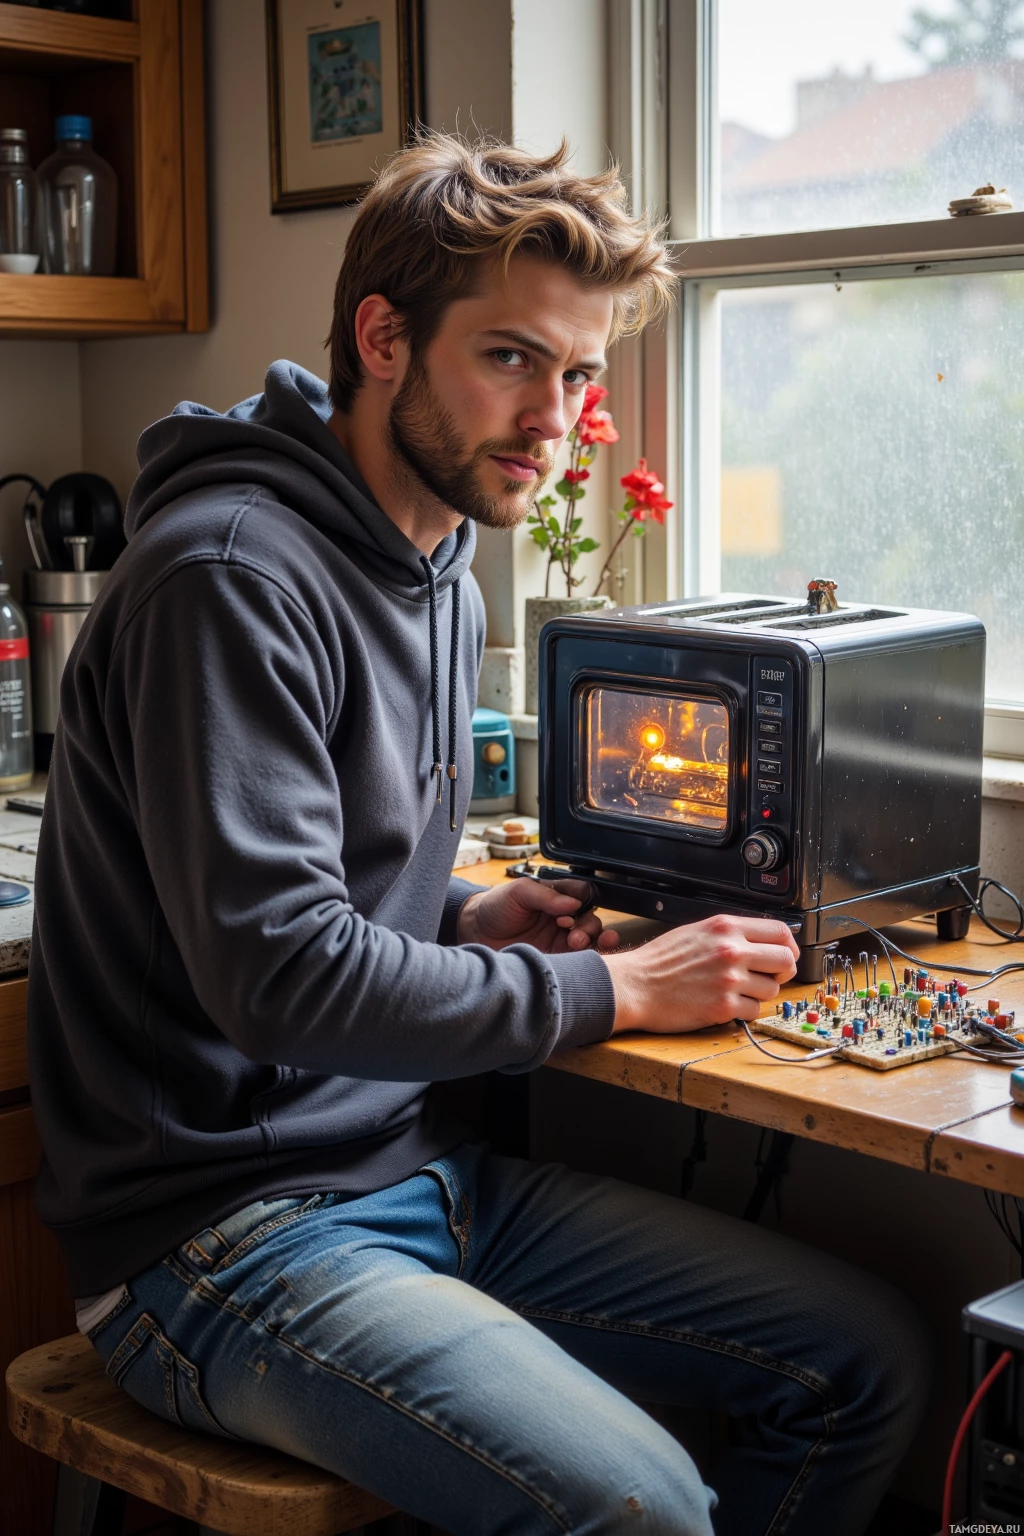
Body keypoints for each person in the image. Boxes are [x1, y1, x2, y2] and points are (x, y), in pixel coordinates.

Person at [28, 135, 929, 1536]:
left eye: (575, 375)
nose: (555, 417)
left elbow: (318, 874)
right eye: (512, 360)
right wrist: (615, 989)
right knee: (641, 1509)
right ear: (382, 339)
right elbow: (276, 976)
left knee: (864, 1362)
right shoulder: (226, 577)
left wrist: (460, 914)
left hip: (417, 1173)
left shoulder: (439, 551)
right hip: (215, 1238)